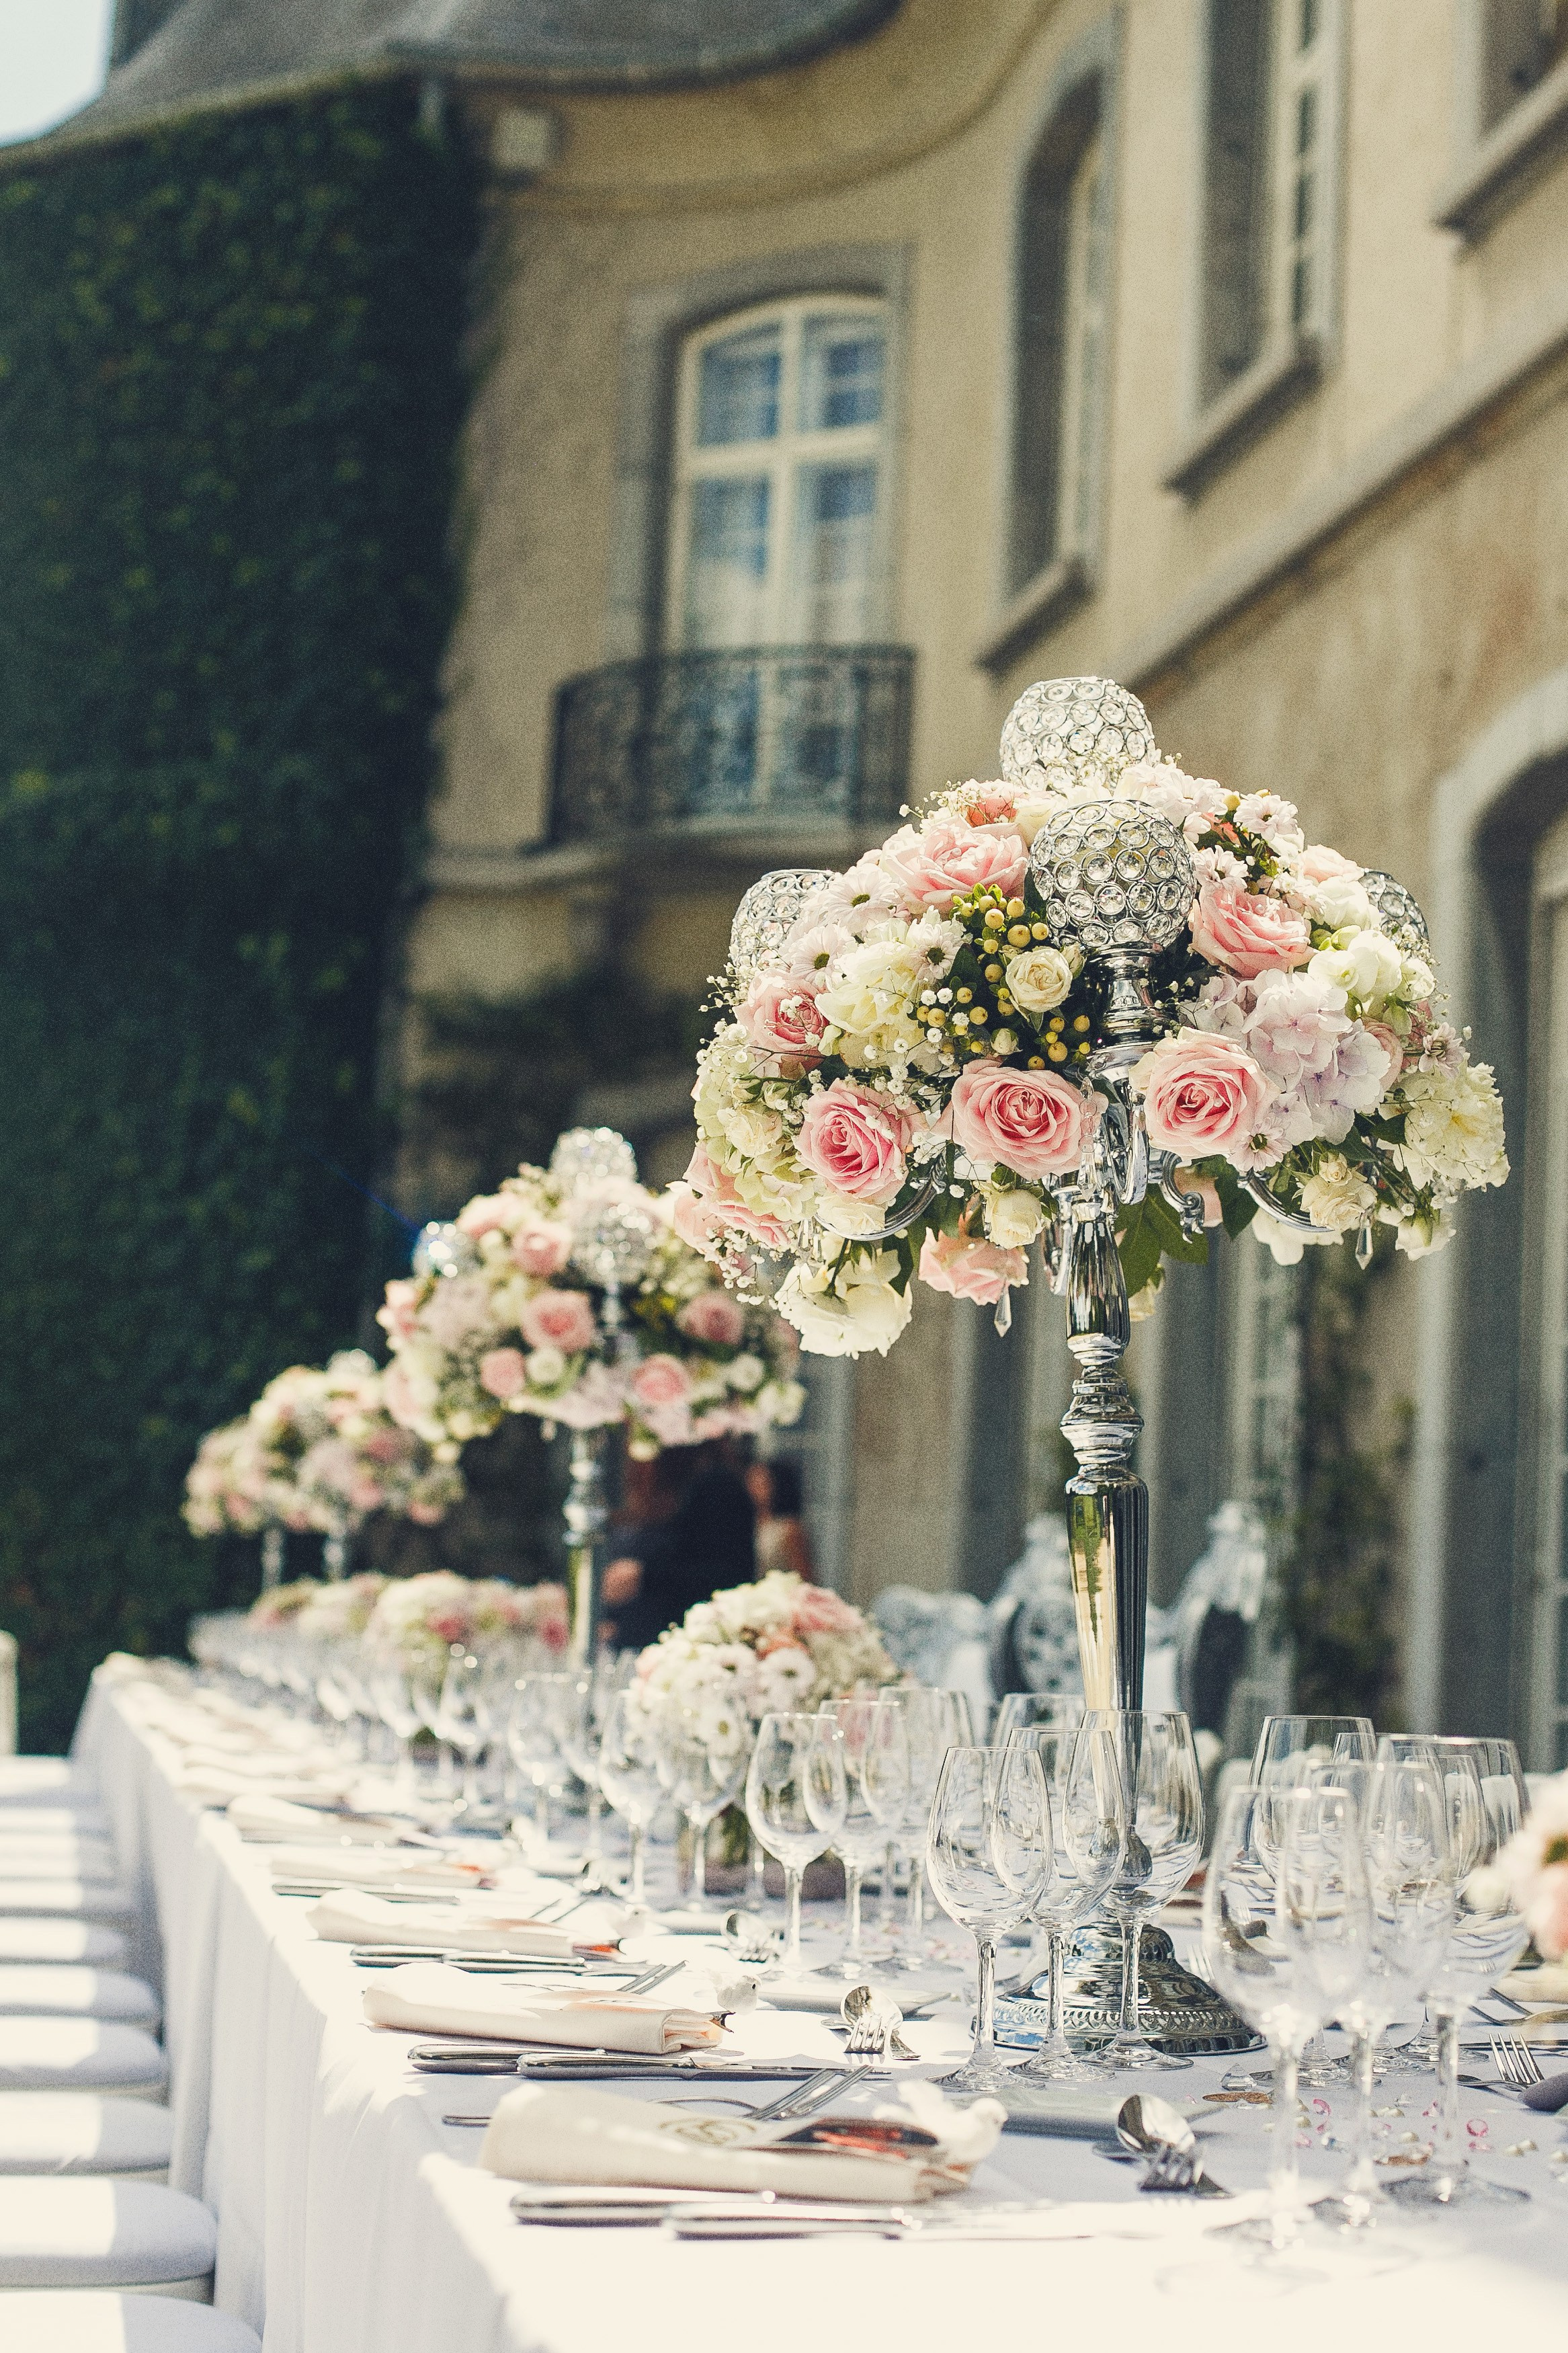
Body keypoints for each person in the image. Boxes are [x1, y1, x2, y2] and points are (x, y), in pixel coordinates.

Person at [600, 1439, 756, 1652]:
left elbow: (728, 1576)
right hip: (652, 1644)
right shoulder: (671, 1488)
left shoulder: (715, 1484)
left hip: (690, 1648)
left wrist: (644, 1576)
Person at [744, 1457, 815, 1584]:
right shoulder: (746, 1524)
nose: (753, 1488)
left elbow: (805, 1579)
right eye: (750, 1481)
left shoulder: (788, 1528)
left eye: (761, 1483)